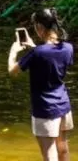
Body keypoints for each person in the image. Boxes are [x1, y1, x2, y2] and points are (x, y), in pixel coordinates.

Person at [8, 9, 74, 161]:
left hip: (44, 109)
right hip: (63, 105)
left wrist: (13, 52)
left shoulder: (37, 53)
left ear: (40, 27)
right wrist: (34, 48)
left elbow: (13, 71)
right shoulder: (68, 48)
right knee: (63, 149)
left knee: (49, 154)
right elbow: (51, 60)